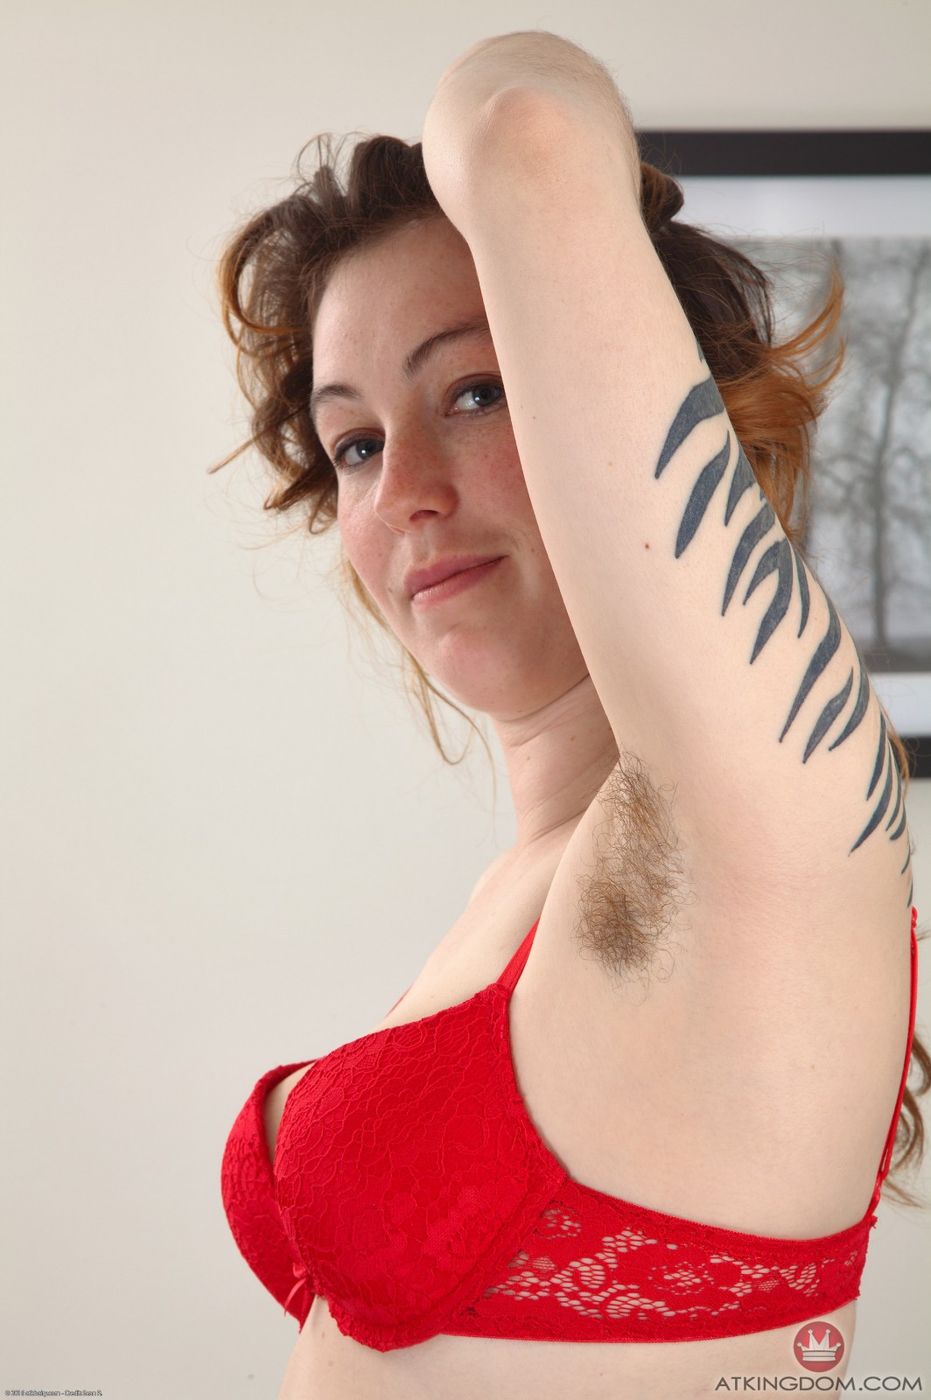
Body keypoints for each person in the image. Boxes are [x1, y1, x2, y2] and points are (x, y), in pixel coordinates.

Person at [216, 30, 927, 1399]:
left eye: (476, 391)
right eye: (355, 442)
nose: (401, 493)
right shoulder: (532, 880)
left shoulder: (754, 805)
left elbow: (523, 122)